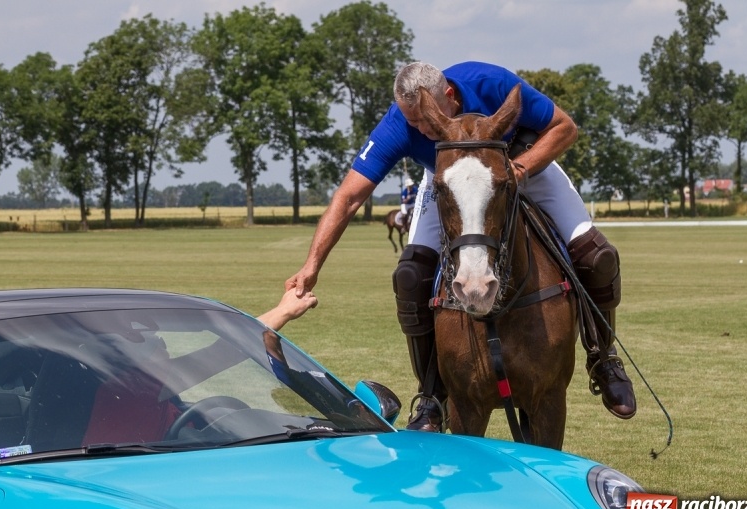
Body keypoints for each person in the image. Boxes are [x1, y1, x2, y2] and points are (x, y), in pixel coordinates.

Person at [286, 61, 636, 432]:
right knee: (409, 275)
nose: (422, 130)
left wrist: (519, 169)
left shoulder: (490, 83)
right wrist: (312, 265)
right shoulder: (400, 122)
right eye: (416, 124)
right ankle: (432, 394)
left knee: (598, 256)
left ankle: (604, 358)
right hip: (451, 183)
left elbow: (565, 128)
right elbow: (349, 197)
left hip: (523, 165)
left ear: (448, 96)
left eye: (426, 120)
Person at [82, 288, 318, 445]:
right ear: (136, 362)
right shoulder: (133, 391)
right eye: (158, 344)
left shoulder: (145, 392)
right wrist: (284, 311)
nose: (166, 349)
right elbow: (224, 352)